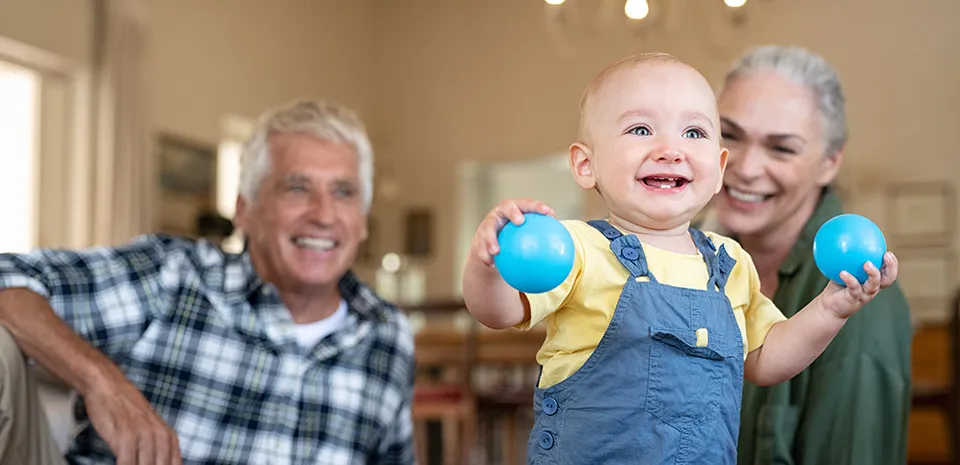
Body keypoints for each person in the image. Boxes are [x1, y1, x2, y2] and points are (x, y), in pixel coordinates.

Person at [460, 52, 900, 464]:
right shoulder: (579, 249)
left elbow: (767, 359)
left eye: (694, 133)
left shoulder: (730, 262)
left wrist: (830, 309)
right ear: (585, 165)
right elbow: (498, 312)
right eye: (640, 129)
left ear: (718, 169)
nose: (671, 149)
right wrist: (488, 262)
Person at [0, 99, 416, 464]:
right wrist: (101, 383)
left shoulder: (388, 335)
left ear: (362, 221)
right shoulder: (170, 279)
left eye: (343, 192)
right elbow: (8, 277)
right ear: (244, 210)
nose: (324, 214)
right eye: (297, 187)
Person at [703, 44, 913, 464]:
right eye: (729, 135)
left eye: (781, 148)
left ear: (829, 164)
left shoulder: (858, 296)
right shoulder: (678, 250)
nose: (743, 168)